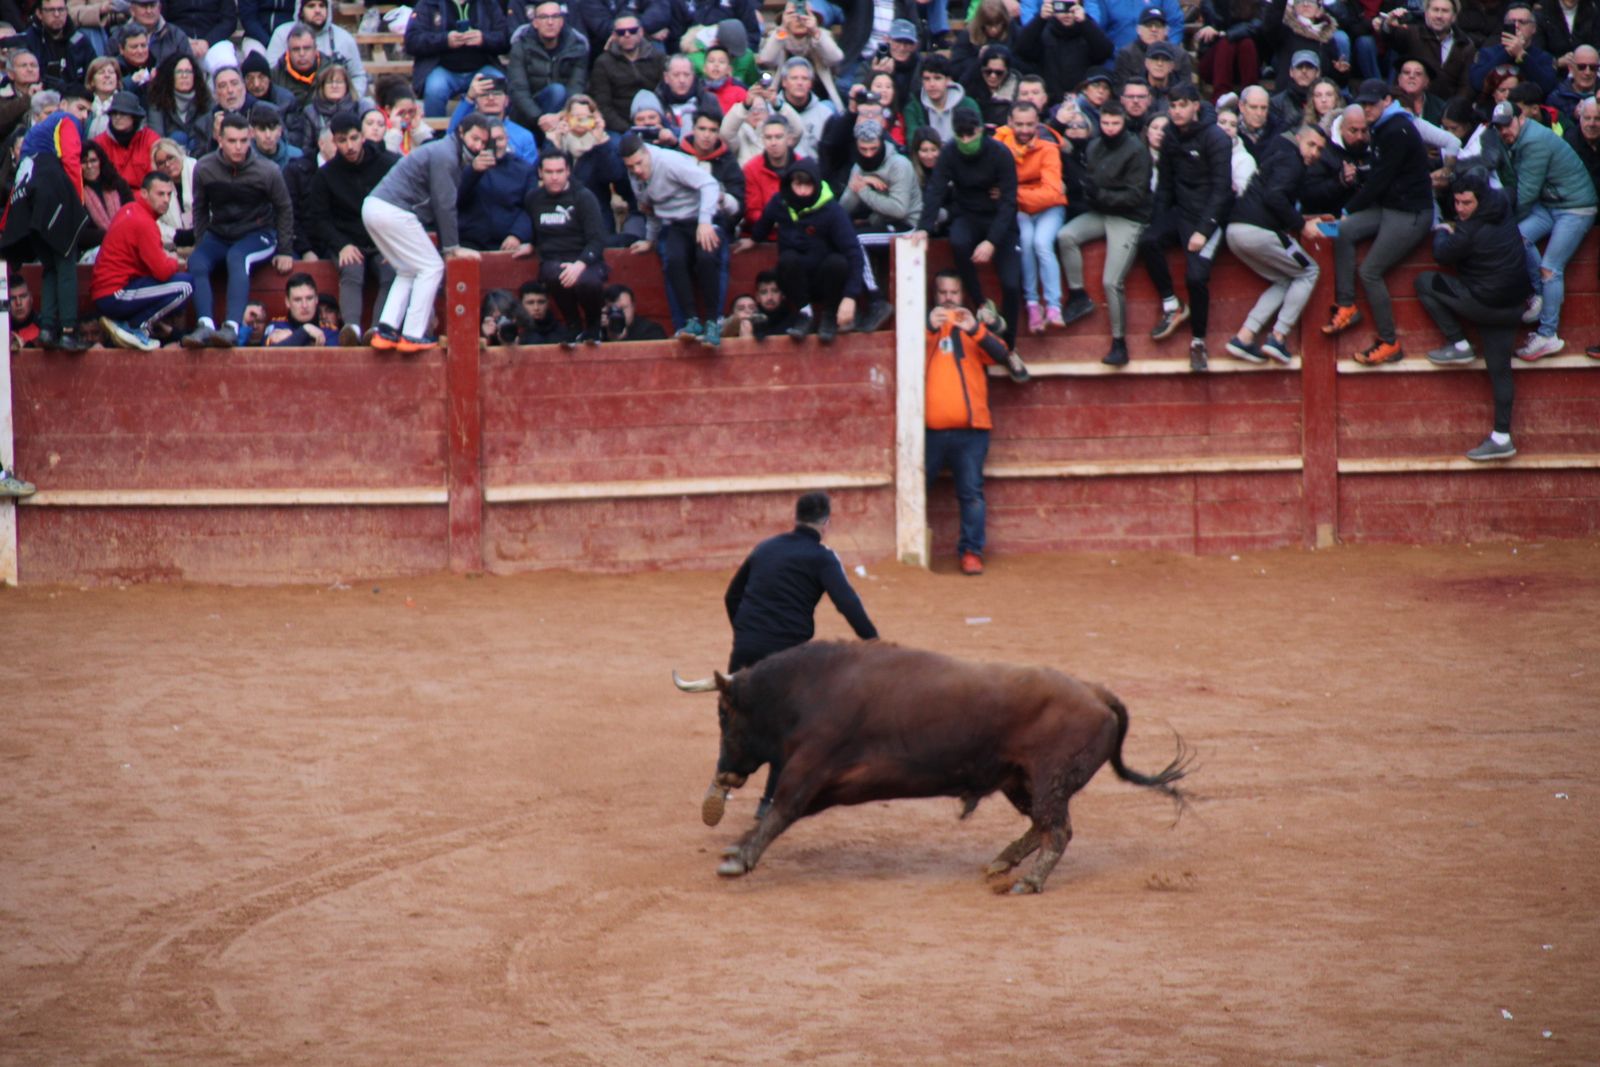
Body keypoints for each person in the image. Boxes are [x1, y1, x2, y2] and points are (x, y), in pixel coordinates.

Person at [715, 490, 878, 823]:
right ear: (826, 523)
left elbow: (731, 595)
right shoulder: (822, 557)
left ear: (796, 517)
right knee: (787, 726)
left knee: (734, 708)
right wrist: (873, 642)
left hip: (746, 645)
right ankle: (769, 801)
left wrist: (746, 633)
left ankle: (724, 775)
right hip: (787, 655)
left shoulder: (765, 547)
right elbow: (847, 603)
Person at [1416, 171, 1534, 460]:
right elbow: (1511, 190)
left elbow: (1442, 255)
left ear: (1479, 200)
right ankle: (1502, 437)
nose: (1460, 209)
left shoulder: (1468, 231)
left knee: (1425, 282)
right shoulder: (1502, 203)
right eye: (1456, 203)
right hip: (1513, 307)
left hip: (1482, 303)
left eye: (1466, 203)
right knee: (1500, 370)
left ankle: (1458, 343)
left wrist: (1444, 229)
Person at [1322, 79, 1436, 366]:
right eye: (1364, 104)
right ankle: (1347, 306)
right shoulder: (1385, 127)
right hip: (1391, 206)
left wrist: (1349, 207)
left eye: (1372, 103)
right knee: (1343, 231)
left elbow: (1383, 178)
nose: (1367, 109)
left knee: (1370, 271)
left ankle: (1390, 342)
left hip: (1411, 214)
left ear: (1387, 101)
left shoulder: (1396, 129)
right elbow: (1380, 174)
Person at [362, 112, 491, 352]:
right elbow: (444, 204)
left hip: (374, 207)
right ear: (461, 132)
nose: (477, 146)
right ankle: (412, 334)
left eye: (483, 143)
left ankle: (386, 329)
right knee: (433, 267)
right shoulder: (446, 155)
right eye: (475, 138)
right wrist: (452, 249)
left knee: (408, 269)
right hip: (393, 210)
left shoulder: (443, 151)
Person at [924, 269, 1018, 578]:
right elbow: (906, 356)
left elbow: (1003, 354)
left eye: (953, 293)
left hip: (971, 431)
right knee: (916, 488)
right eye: (943, 293)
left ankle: (971, 552)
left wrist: (975, 328)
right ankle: (909, 548)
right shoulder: (925, 329)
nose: (948, 299)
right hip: (929, 432)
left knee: (971, 493)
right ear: (934, 296)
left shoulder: (970, 328)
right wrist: (927, 327)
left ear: (962, 296)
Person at [1138, 82, 1232, 371]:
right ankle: (1171, 304)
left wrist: (1204, 230)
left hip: (1208, 216)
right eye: (1173, 106)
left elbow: (1222, 190)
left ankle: (1199, 343)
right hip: (1180, 211)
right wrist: (1157, 220)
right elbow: (1165, 184)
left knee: (1195, 278)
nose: (1177, 112)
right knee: (1148, 241)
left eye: (1182, 106)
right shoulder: (1170, 137)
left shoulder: (1216, 137)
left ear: (1195, 105)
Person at [1493, 98, 1597, 361]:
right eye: (1500, 127)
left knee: (1550, 268)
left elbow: (1526, 194)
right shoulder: (1519, 139)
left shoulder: (1533, 141)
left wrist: (1504, 221)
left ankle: (1548, 334)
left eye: (1508, 124)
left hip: (1576, 207)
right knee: (1517, 237)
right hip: (1552, 203)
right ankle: (1539, 295)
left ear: (1521, 119)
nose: (1504, 131)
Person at [915, 107, 1025, 352]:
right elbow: (935, 189)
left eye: (970, 135)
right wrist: (924, 227)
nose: (965, 140)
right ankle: (981, 302)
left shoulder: (999, 153)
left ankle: (1009, 346)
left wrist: (992, 242)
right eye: (960, 135)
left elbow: (1009, 202)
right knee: (958, 241)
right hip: (968, 215)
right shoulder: (950, 153)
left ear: (980, 130)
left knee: (1010, 283)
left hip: (1000, 221)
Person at [182, 112, 294, 349]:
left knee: (237, 257)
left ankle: (231, 327)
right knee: (197, 261)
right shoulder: (205, 167)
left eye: (243, 141)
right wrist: (201, 243)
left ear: (250, 138)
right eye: (232, 141)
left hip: (258, 233)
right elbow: (200, 208)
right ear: (220, 140)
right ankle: (205, 326)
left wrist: (285, 248)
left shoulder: (268, 170)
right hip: (219, 233)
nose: (239, 147)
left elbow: (284, 208)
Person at [1056, 100, 1152, 366]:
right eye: (1106, 123)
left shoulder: (1136, 150)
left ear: (1123, 123)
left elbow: (1135, 195)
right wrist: (1091, 193)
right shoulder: (1095, 145)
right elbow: (1091, 181)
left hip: (1129, 217)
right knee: (1066, 236)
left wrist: (1099, 195)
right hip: (1103, 210)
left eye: (1115, 124)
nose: (1110, 129)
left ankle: (1119, 343)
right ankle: (1078, 296)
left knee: (1111, 281)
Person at [1223, 124, 1328, 365]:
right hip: (1258, 231)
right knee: (1310, 271)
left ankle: (1245, 336)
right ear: (1299, 139)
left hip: (1235, 231)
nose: (1314, 153)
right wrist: (1302, 225)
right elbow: (1274, 197)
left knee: (1285, 279)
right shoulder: (1292, 161)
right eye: (1311, 145)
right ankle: (1278, 337)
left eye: (1320, 149)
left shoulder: (1278, 154)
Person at [0, 85, 92, 351]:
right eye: (80, 108)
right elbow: (71, 159)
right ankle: (68, 330)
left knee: (50, 267)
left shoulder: (32, 135)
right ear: (64, 105)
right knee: (66, 266)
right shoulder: (65, 120)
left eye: (88, 111)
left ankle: (49, 328)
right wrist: (78, 205)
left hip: (28, 201)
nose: (83, 116)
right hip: (53, 195)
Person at [738, 157, 867, 343]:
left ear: (815, 185)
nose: (802, 191)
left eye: (808, 186)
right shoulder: (781, 202)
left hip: (826, 279)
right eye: (798, 185)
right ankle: (804, 313)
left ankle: (828, 316)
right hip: (795, 281)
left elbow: (854, 252)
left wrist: (850, 296)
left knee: (838, 263)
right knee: (787, 259)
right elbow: (765, 221)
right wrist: (754, 239)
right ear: (790, 184)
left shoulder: (832, 211)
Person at [620, 131, 727, 344]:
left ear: (647, 153)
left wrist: (705, 221)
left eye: (639, 163)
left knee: (706, 258)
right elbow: (649, 208)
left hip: (701, 218)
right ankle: (691, 320)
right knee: (674, 259)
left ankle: (713, 321)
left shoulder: (669, 161)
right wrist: (650, 240)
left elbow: (709, 185)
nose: (637, 170)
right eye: (631, 167)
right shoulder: (634, 176)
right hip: (674, 224)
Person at [305, 111, 398, 344]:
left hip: (382, 239)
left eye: (354, 138)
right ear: (334, 141)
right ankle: (352, 328)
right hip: (345, 240)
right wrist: (341, 245)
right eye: (343, 140)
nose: (350, 146)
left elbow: (402, 204)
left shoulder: (388, 164)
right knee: (352, 269)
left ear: (363, 136)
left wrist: (393, 244)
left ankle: (379, 330)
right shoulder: (326, 175)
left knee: (391, 272)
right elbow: (319, 218)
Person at [515, 149, 609, 344]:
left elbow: (597, 238)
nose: (555, 177)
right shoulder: (534, 198)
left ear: (568, 171)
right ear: (540, 173)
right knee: (553, 275)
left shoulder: (584, 197)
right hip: (553, 259)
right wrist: (530, 244)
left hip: (585, 258)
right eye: (549, 172)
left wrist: (580, 264)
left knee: (588, 282)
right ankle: (573, 326)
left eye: (559, 171)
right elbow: (535, 228)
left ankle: (593, 327)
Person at [404, 0, 512, 118]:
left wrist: (484, 38)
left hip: (482, 67)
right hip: (442, 68)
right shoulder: (428, 4)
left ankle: (500, 131)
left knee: (503, 84)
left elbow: (505, 39)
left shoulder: (489, 3)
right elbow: (411, 41)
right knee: (434, 90)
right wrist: (445, 40)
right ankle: (436, 134)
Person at [507, 0, 590, 132]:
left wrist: (560, 116)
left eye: (555, 17)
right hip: (528, 116)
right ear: (535, 22)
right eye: (544, 17)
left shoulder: (577, 47)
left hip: (562, 117)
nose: (550, 22)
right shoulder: (520, 46)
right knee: (556, 91)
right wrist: (540, 118)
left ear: (562, 21)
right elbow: (519, 90)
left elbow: (576, 87)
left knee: (562, 94)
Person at [456, 119, 536, 251]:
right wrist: (473, 171)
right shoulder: (463, 163)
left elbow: (531, 207)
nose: (496, 145)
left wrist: (517, 235)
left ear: (507, 139)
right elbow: (454, 199)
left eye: (500, 139)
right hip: (470, 242)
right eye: (490, 141)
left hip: (509, 243)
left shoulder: (524, 169)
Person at [265, 0, 368, 100]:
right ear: (300, 10)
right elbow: (270, 74)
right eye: (311, 6)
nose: (318, 10)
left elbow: (358, 76)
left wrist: (349, 99)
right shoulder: (282, 34)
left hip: (332, 105)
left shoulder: (345, 38)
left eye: (322, 5)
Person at [1381, 0, 1476, 101]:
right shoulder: (1412, 34)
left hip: (1446, 109)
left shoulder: (1465, 45)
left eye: (1445, 11)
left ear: (1454, 17)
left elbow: (1465, 85)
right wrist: (1388, 23)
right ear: (1426, 13)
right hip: (1409, 104)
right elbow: (1390, 36)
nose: (1439, 16)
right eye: (1435, 10)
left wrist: (1455, 110)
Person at [589, 12, 666, 134]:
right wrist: (628, 130)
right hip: (619, 127)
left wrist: (660, 124)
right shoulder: (603, 63)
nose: (627, 35)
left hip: (656, 123)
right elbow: (604, 106)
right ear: (614, 35)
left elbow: (666, 94)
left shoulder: (658, 57)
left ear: (640, 32)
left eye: (632, 31)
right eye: (621, 32)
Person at [1469, 4, 1557, 95]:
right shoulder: (1487, 53)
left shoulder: (1544, 58)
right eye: (1511, 22)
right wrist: (1507, 53)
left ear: (1534, 28)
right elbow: (1477, 83)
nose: (1516, 26)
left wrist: (1522, 55)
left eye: (1522, 22)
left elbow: (1547, 87)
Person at [93, 90, 158, 191]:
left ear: (134, 117)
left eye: (123, 114)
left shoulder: (151, 139)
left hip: (145, 198)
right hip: (112, 197)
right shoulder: (99, 143)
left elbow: (158, 180)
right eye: (114, 113)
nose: (117, 118)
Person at [261, 271, 329, 346]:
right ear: (287, 302)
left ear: (316, 299)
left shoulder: (329, 330)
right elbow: (270, 354)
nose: (304, 305)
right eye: (297, 300)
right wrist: (306, 330)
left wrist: (291, 338)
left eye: (309, 298)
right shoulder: (277, 326)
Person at [601, 282, 668, 340]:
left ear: (633, 307)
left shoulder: (650, 330)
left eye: (623, 308)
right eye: (613, 309)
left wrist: (622, 338)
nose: (618, 314)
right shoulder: (600, 329)